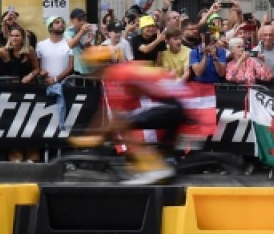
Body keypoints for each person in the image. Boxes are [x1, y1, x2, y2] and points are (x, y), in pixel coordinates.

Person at [74, 45, 212, 185]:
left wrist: (97, 136)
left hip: (173, 104)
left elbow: (116, 117)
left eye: (91, 68)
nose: (90, 74)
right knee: (162, 152)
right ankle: (156, 169)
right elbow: (104, 111)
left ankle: (155, 170)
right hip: (179, 102)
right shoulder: (123, 70)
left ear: (100, 66)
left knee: (123, 125)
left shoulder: (116, 75)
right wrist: (96, 133)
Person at [35, 16, 74, 87]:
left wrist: (56, 79)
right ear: (50, 27)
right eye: (57, 22)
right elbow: (37, 66)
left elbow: (70, 66)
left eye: (62, 22)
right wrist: (42, 74)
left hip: (65, 85)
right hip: (45, 84)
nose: (61, 24)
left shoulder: (70, 43)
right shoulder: (41, 45)